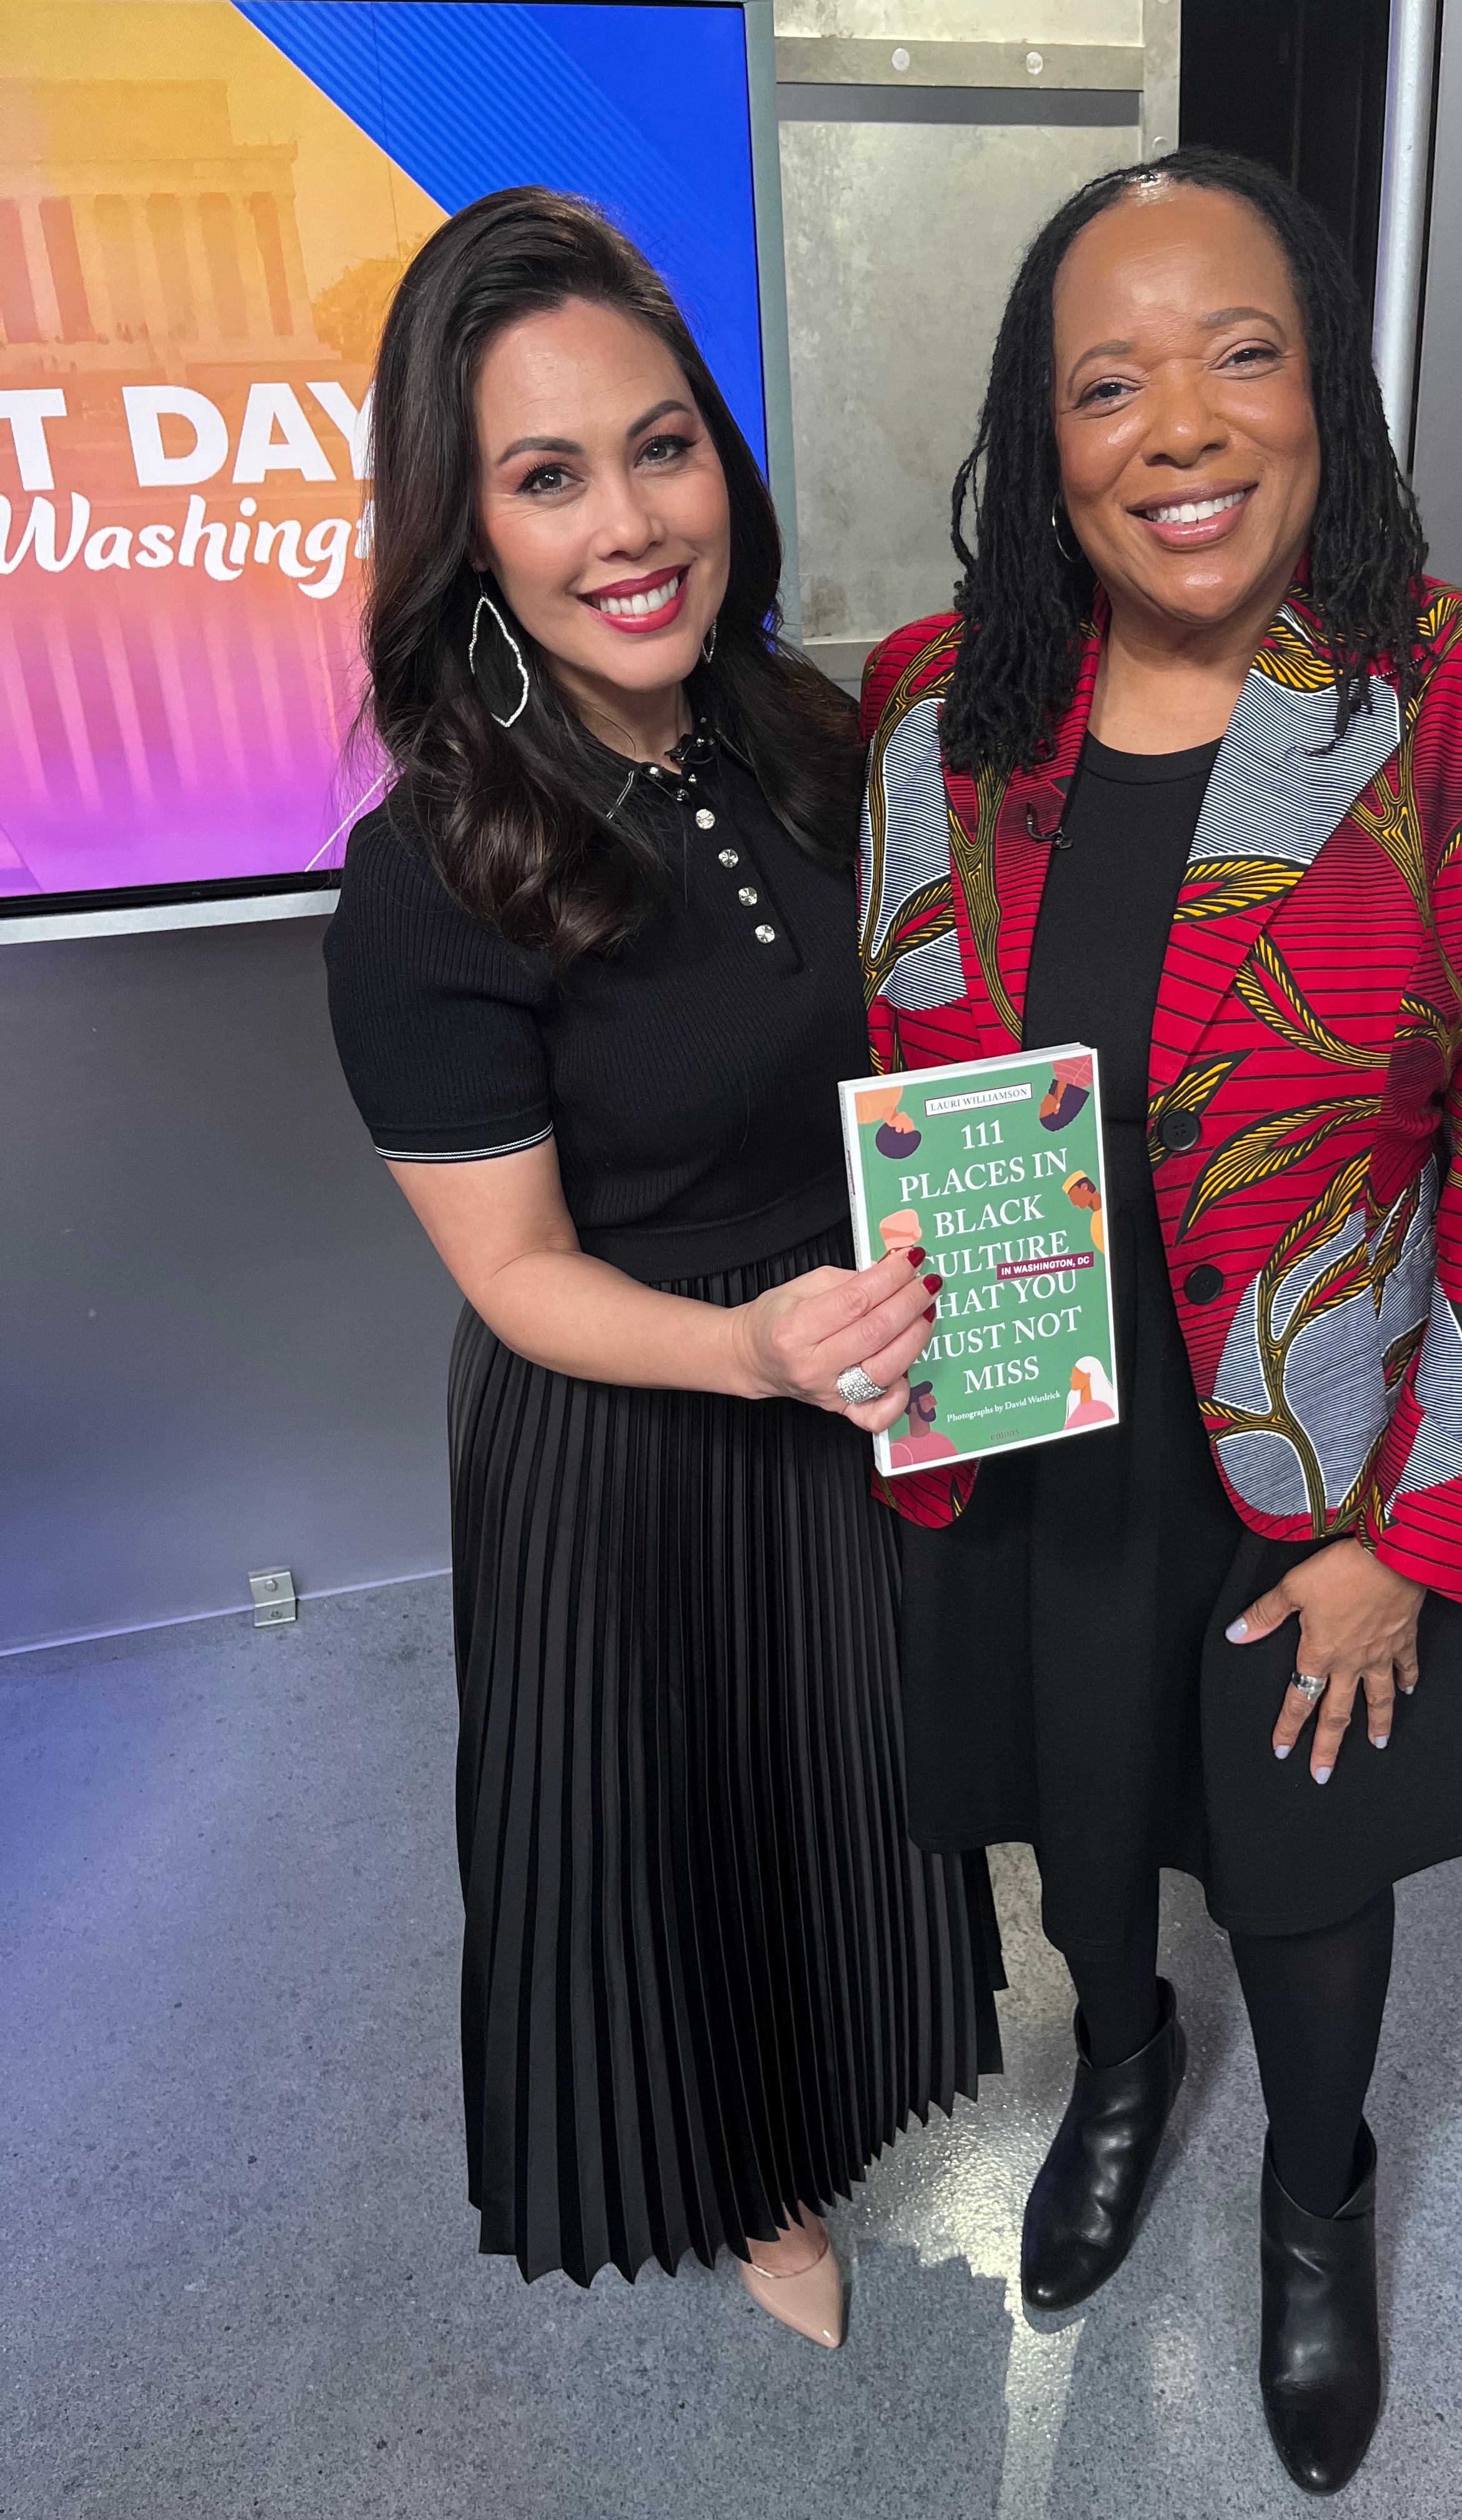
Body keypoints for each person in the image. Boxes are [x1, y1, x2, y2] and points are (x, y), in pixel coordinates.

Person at [857, 150, 1462, 2491]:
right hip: (1047, 1435)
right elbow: (901, 1066)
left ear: (1327, 396)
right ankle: (1119, 2071)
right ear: (1044, 434)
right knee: (1081, 1846)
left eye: (1241, 355)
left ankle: (1317, 2194)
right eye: (1110, 383)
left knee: (1302, 1877)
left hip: (1335, 1457)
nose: (1180, 426)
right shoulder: (938, 709)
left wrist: (1429, 1535)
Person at [324, 189, 1000, 2352]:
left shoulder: (810, 739)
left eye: (662, 446)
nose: (629, 525)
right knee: (677, 1848)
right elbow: (516, 1273)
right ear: (467, 531)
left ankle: (843, 2100)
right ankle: (742, 2180)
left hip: (841, 1368)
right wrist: (749, 1352)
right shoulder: (430, 869)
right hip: (632, 1432)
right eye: (547, 477)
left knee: (835, 1798)